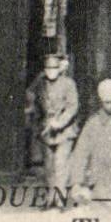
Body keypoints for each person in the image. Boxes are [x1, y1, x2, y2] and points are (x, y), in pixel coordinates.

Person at [24, 51, 79, 199]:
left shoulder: (68, 83)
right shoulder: (41, 83)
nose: (51, 71)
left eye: (54, 68)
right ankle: (50, 199)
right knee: (48, 166)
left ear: (59, 68)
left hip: (65, 131)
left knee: (61, 164)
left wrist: (60, 122)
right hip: (46, 130)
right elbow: (29, 94)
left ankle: (60, 199)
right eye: (48, 68)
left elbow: (72, 106)